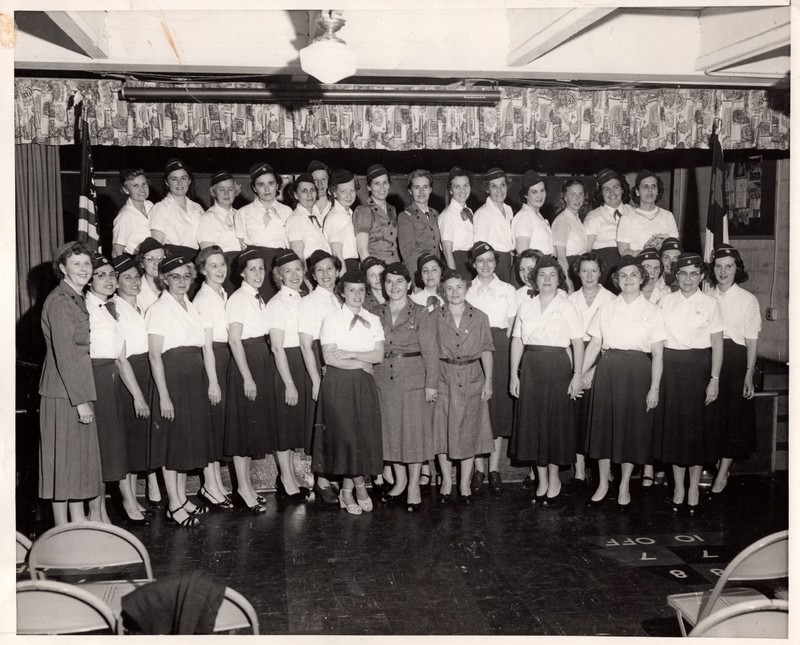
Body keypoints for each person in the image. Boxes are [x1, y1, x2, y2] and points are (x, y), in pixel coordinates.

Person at [581, 256, 666, 511]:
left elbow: (659, 354)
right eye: (623, 276)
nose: (628, 280)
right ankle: (603, 483)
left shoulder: (654, 311)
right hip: (608, 370)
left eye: (633, 275)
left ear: (642, 279)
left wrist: (654, 387)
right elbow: (595, 344)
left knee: (632, 431)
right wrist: (581, 372)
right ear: (617, 281)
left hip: (639, 372)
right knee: (604, 429)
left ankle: (625, 484)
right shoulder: (606, 308)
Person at [509, 256, 584, 506]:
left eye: (552, 275)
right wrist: (513, 375)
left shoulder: (567, 306)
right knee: (532, 425)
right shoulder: (526, 306)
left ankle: (554, 479)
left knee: (553, 426)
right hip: (531, 367)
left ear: (559, 278)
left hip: (558, 367)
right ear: (535, 279)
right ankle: (540, 479)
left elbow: (576, 343)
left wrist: (577, 375)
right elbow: (518, 341)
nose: (547, 280)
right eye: (542, 275)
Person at [38, 241, 103, 525]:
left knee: (77, 462)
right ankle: (62, 530)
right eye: (76, 264)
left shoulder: (75, 297)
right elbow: (65, 356)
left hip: (76, 390)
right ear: (62, 268)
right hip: (64, 394)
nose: (84, 269)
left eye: (87, 264)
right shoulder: (59, 301)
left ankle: (79, 525)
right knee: (63, 463)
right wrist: (80, 402)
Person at [146, 253, 212, 527]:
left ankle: (182, 497)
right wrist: (163, 395)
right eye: (175, 276)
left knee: (187, 442)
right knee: (173, 442)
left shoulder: (191, 306)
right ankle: (173, 503)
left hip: (193, 379)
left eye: (186, 276)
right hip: (172, 379)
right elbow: (154, 356)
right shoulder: (158, 309)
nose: (182, 281)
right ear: (164, 279)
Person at [655, 253, 723, 515]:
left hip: (699, 370)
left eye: (694, 273)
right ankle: (678, 488)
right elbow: (658, 343)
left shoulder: (710, 303)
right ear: (676, 275)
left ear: (702, 276)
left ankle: (693, 487)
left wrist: (714, 379)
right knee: (675, 431)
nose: (688, 279)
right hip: (671, 369)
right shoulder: (665, 301)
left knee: (696, 433)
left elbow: (717, 346)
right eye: (683, 273)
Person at [313, 271, 385, 516]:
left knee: (361, 438)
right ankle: (359, 487)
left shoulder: (373, 319)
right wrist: (363, 363)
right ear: (342, 292)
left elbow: (378, 356)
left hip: (363, 385)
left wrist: (352, 354)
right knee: (347, 439)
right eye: (352, 290)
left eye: (362, 290)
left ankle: (346, 490)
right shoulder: (331, 319)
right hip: (338, 385)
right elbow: (330, 358)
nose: (357, 295)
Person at [373, 263, 438, 511]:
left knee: (412, 434)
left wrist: (431, 385)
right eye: (389, 282)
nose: (394, 287)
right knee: (391, 434)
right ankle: (399, 482)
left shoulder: (422, 313)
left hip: (412, 379)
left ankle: (413, 485)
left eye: (399, 281)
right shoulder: (374, 311)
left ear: (409, 284)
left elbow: (431, 352)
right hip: (382, 379)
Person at [86, 254, 145, 525]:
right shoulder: (84, 308)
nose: (109, 280)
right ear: (89, 279)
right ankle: (96, 515)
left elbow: (122, 360)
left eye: (112, 275)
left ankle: (104, 513)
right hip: (93, 382)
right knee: (98, 451)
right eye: (102, 275)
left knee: (111, 451)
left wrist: (138, 397)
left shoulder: (111, 309)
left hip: (112, 382)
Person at [432, 269, 495, 505]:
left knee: (469, 431)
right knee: (443, 431)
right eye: (449, 288)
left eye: (459, 287)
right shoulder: (435, 317)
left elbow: (487, 350)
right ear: (443, 291)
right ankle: (447, 481)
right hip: (444, 377)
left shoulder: (479, 317)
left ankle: (465, 483)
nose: (454, 292)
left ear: (466, 288)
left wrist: (488, 381)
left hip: (472, 378)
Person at [709, 244, 761, 495]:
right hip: (710, 358)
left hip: (735, 359)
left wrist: (749, 373)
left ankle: (722, 474)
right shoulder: (706, 295)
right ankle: (718, 464)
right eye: (718, 266)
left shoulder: (748, 299)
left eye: (728, 266)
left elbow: (752, 340)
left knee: (733, 418)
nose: (723, 271)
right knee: (713, 417)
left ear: (736, 269)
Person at [465, 242, 517, 494]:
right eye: (480, 261)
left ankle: (494, 468)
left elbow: (512, 328)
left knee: (494, 409)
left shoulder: (507, 290)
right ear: (473, 264)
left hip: (500, 347)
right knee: (476, 408)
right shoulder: (466, 290)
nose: (485, 265)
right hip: (472, 349)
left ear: (496, 263)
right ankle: (479, 469)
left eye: (490, 260)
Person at [225, 248, 273, 513]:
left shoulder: (257, 297)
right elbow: (234, 339)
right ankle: (243, 489)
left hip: (259, 361)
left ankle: (247, 487)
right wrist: (247, 377)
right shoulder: (239, 299)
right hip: (247, 365)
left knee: (251, 430)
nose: (257, 274)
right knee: (242, 431)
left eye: (261, 269)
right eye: (251, 269)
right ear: (241, 272)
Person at [565, 252, 615, 494]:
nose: (588, 275)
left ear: (600, 272)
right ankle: (579, 471)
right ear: (577, 272)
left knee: (598, 419)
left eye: (593, 270)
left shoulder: (611, 299)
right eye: (584, 271)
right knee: (575, 418)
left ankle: (602, 474)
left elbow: (610, 342)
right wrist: (576, 372)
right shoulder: (569, 299)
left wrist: (591, 371)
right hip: (575, 359)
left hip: (602, 362)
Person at [265, 249, 313, 501]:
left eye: (298, 269)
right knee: (284, 426)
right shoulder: (277, 303)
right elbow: (276, 346)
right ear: (279, 275)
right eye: (288, 271)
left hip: (301, 362)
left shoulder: (303, 298)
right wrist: (289, 384)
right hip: (287, 367)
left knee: (293, 425)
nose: (294, 274)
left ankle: (289, 477)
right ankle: (285, 480)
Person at [111, 253, 158, 510]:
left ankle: (139, 496)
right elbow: (120, 358)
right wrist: (138, 396)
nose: (134, 281)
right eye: (126, 277)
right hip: (129, 378)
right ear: (116, 283)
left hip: (146, 372)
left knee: (141, 438)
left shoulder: (142, 307)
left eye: (136, 276)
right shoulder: (114, 310)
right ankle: (128, 501)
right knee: (128, 441)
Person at [298, 250, 342, 504]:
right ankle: (322, 480)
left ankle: (333, 475)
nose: (326, 274)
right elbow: (306, 345)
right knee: (322, 424)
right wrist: (316, 380)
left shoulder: (340, 298)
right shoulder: (309, 302)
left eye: (330, 269)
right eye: (320, 270)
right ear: (312, 275)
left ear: (337, 271)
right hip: (320, 360)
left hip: (339, 361)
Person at [191, 245, 234, 510]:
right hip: (213, 361)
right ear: (203, 270)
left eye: (222, 265)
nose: (219, 270)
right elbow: (206, 345)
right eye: (213, 266)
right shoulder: (203, 299)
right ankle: (209, 485)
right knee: (211, 424)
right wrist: (214, 381)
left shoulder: (222, 294)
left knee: (219, 426)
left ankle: (216, 484)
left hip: (225, 356)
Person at [234, 163, 292, 300]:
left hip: (279, 265)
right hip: (256, 267)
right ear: (254, 187)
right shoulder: (243, 212)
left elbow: (290, 243)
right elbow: (240, 246)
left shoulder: (287, 211)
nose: (267, 189)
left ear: (277, 185)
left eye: (271, 183)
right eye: (261, 185)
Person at [197, 170, 242, 294]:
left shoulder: (241, 214)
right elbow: (208, 254)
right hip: (223, 270)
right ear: (213, 192)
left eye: (230, 189)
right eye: (221, 189)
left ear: (236, 191)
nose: (227, 193)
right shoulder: (209, 217)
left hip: (243, 268)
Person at [583, 168, 631, 285]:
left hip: (630, 269)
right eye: (606, 189)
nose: (612, 193)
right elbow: (586, 251)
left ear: (622, 189)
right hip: (605, 271)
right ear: (601, 193)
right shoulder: (594, 216)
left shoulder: (633, 213)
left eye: (616, 187)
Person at [617, 170, 679, 256]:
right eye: (645, 187)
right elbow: (623, 252)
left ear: (657, 191)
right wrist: (645, 250)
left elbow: (676, 247)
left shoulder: (668, 216)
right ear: (637, 192)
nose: (650, 190)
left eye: (653, 186)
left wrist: (665, 243)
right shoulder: (627, 219)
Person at [148, 158, 205, 251]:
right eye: (174, 179)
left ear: (189, 181)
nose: (179, 183)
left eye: (183, 178)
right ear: (167, 182)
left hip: (195, 258)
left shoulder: (197, 207)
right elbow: (156, 246)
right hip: (172, 260)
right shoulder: (160, 208)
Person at [473, 167, 515, 284]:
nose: (499, 190)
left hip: (508, 262)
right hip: (493, 264)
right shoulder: (483, 213)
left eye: (502, 185)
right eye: (494, 186)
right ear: (487, 189)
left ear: (507, 186)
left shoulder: (508, 209)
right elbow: (479, 248)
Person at [397, 169, 441, 279]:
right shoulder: (405, 216)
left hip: (435, 274)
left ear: (430, 189)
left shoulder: (435, 214)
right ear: (410, 191)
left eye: (425, 187)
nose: (421, 192)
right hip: (419, 275)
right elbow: (408, 254)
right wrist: (417, 281)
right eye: (416, 187)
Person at [354, 164, 399, 264]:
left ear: (389, 185)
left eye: (385, 182)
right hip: (376, 268)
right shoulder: (364, 211)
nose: (382, 187)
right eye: (376, 183)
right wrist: (373, 272)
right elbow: (362, 251)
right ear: (369, 187)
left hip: (395, 267)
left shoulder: (392, 210)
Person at [551, 179, 588, 292]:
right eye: (573, 194)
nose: (578, 198)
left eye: (580, 194)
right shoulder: (562, 221)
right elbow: (561, 257)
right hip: (568, 270)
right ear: (565, 197)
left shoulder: (577, 220)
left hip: (578, 269)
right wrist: (568, 282)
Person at [438, 167, 474, 274]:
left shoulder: (469, 211)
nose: (462, 190)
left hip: (471, 262)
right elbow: (447, 251)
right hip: (457, 263)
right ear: (450, 190)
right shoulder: (448, 215)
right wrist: (454, 276)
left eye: (465, 185)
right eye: (457, 186)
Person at [286, 173, 331, 261]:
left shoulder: (316, 215)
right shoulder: (295, 219)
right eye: (304, 191)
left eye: (312, 190)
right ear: (295, 195)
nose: (309, 195)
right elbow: (298, 256)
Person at [324, 169, 361, 274]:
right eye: (343, 191)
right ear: (334, 193)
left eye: (352, 190)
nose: (349, 196)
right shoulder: (336, 217)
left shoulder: (348, 213)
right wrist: (344, 280)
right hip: (345, 267)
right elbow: (337, 255)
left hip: (353, 265)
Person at [112, 168, 154, 257]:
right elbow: (116, 252)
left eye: (144, 184)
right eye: (135, 186)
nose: (142, 189)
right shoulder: (125, 216)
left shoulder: (150, 205)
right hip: (135, 261)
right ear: (126, 190)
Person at [512, 170, 553, 258]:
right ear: (526, 195)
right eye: (534, 192)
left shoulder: (537, 216)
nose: (540, 196)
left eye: (542, 190)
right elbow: (523, 254)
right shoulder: (524, 216)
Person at [136, 236, 165, 313]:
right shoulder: (136, 291)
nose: (156, 263)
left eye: (160, 258)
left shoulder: (173, 285)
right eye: (150, 259)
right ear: (142, 263)